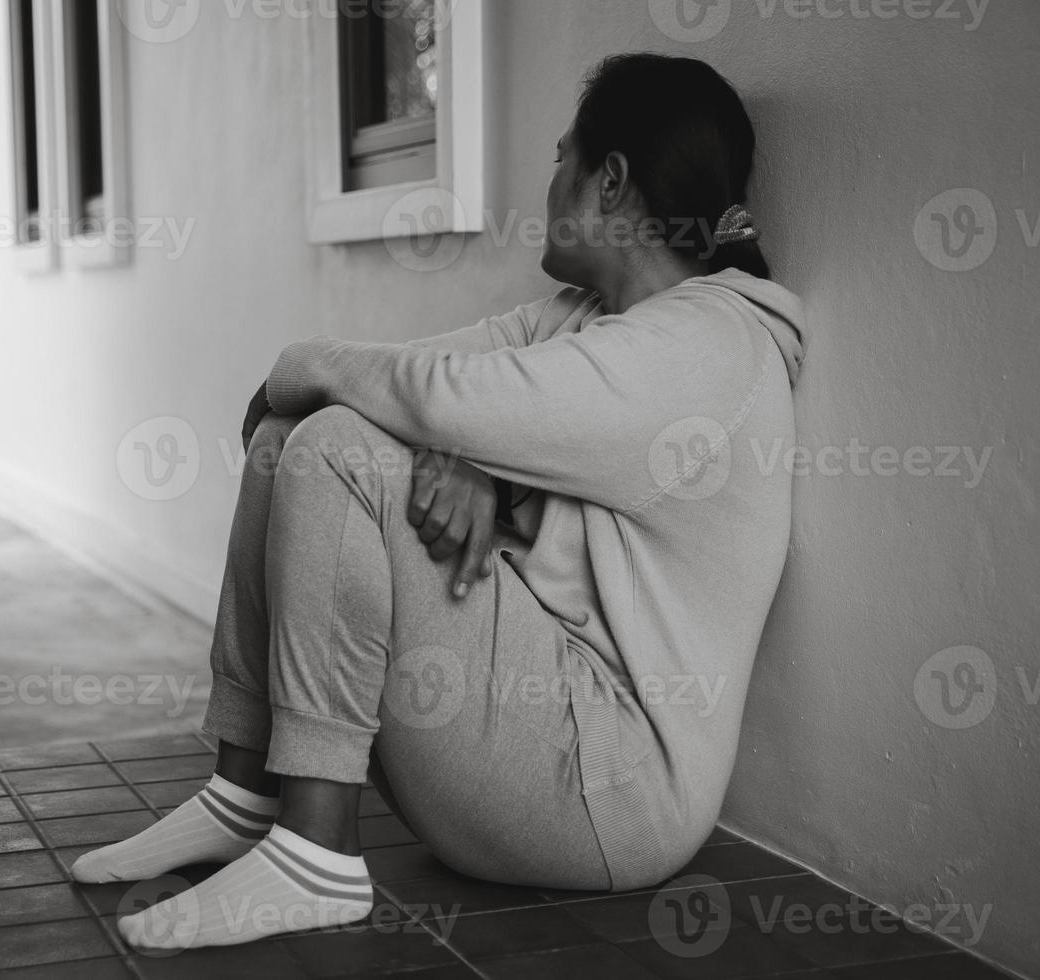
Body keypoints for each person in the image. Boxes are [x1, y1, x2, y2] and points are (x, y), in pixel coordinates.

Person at [70, 51, 807, 950]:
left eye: (562, 156)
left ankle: (315, 857)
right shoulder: (575, 316)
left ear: (610, 182)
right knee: (284, 448)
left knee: (336, 447)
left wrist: (316, 371)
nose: (551, 179)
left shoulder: (708, 342)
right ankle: (244, 794)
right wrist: (468, 452)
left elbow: (437, 397)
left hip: (612, 789)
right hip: (528, 727)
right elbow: (439, 383)